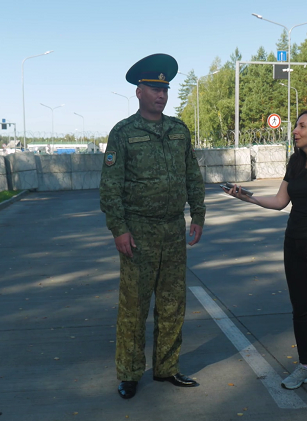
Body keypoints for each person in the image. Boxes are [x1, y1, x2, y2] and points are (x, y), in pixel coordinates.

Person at [99, 53, 206, 400]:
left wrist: (199, 215)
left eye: (165, 89)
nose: (161, 95)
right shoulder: (124, 133)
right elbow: (110, 186)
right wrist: (119, 228)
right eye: (154, 88)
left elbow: (193, 175)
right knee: (134, 306)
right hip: (139, 231)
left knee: (173, 303)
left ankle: (166, 367)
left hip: (173, 229)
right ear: (139, 92)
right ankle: (129, 374)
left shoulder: (179, 131)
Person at [224, 110, 307, 401]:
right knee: (300, 310)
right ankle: (306, 367)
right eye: (296, 125)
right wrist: (248, 197)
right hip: (294, 243)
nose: (295, 130)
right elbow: (281, 201)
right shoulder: (295, 161)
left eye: (302, 125)